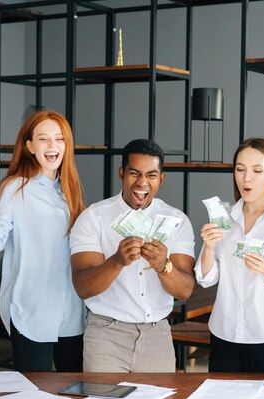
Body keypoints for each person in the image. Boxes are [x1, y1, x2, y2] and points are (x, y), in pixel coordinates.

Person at [70, 138, 196, 372]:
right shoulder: (94, 217)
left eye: (151, 175)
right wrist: (117, 261)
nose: (142, 183)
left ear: (161, 179)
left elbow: (185, 290)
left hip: (157, 333)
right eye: (134, 173)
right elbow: (82, 287)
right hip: (106, 333)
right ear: (121, 173)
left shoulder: (177, 221)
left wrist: (163, 266)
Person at [0, 110, 85, 372]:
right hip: (30, 311)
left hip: (70, 311)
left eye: (59, 139)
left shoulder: (68, 190)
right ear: (30, 146)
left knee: (75, 395)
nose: (52, 146)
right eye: (44, 139)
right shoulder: (15, 187)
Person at [195, 138, 264, 389]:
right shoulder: (224, 218)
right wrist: (209, 246)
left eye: (257, 171)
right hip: (224, 335)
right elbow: (206, 278)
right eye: (240, 169)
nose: (247, 178)